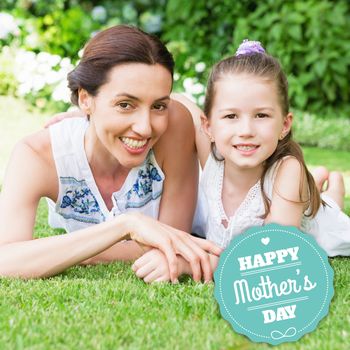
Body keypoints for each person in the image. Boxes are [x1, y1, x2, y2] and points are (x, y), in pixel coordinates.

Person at [0, 25, 222, 282]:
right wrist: (126, 224)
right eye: (125, 105)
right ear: (85, 99)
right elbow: (5, 259)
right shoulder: (37, 156)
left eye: (158, 105)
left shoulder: (174, 125)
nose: (145, 127)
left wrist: (74, 251)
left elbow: (171, 241)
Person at [132, 40, 350, 282]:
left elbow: (274, 259)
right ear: (208, 126)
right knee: (309, 196)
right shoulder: (214, 156)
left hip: (318, 226)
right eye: (231, 116)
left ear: (284, 125)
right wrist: (85, 111)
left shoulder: (288, 171)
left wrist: (188, 262)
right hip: (292, 197)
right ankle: (319, 183)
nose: (245, 130)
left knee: (328, 214)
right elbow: (179, 99)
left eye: (261, 115)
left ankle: (329, 194)